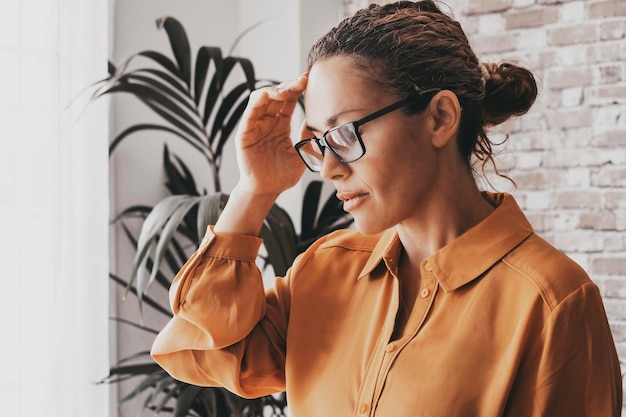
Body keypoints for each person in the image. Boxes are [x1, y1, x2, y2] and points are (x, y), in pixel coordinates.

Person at [151, 1, 623, 415]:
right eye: (318, 141)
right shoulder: (324, 269)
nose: (329, 169)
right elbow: (199, 349)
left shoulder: (552, 303)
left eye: (345, 133)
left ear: (439, 118)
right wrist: (255, 189)